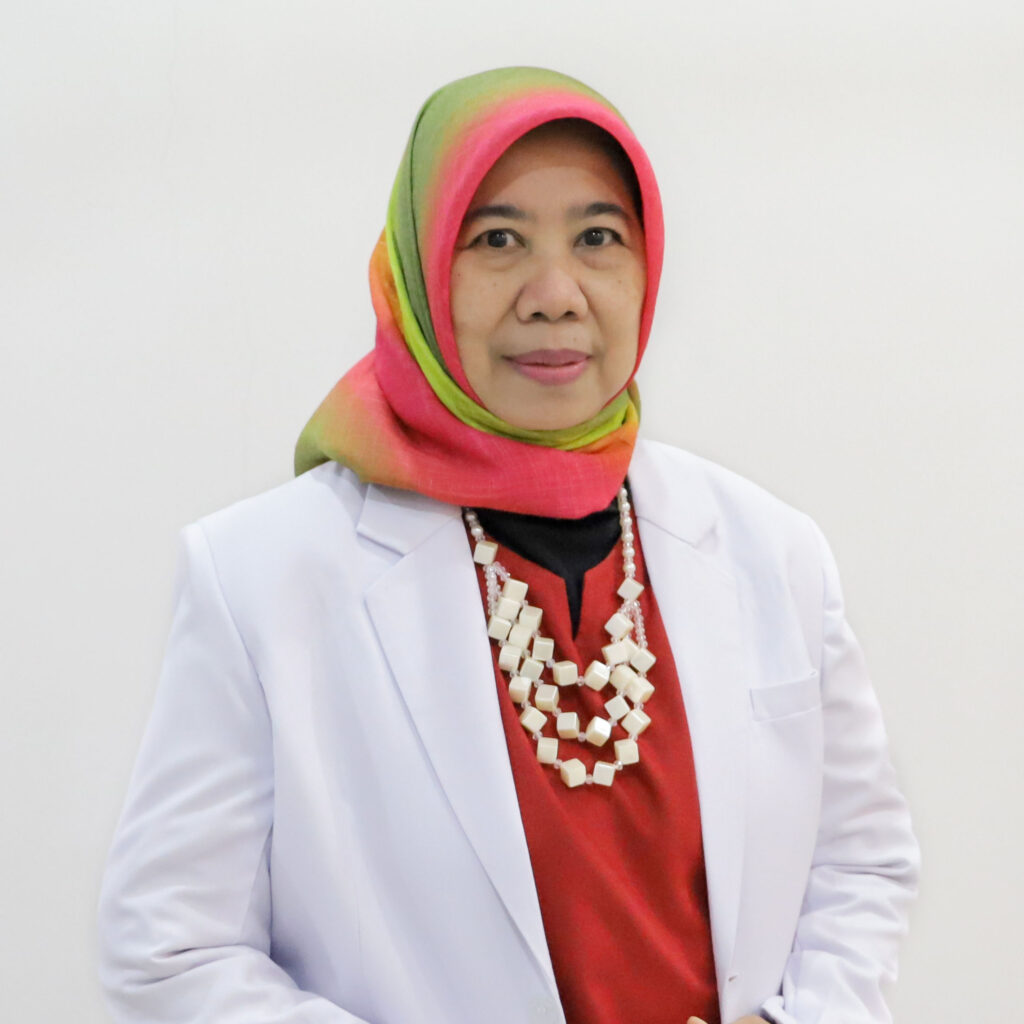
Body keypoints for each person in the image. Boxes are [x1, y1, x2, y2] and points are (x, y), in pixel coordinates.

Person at [97, 67, 918, 1024]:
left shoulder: (771, 551)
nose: (555, 295)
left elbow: (860, 863)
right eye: (497, 240)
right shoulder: (260, 578)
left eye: (598, 238)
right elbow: (172, 949)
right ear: (419, 271)